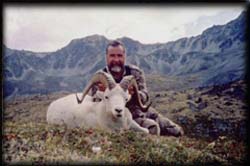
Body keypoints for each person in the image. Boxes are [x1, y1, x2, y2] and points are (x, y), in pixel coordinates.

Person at [89, 40, 184, 137]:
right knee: (152, 128)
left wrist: (134, 94)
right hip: (120, 116)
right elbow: (93, 103)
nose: (116, 60)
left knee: (177, 131)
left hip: (139, 110)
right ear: (106, 57)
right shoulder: (100, 77)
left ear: (124, 56)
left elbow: (145, 96)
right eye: (112, 56)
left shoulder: (135, 73)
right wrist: (101, 93)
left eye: (119, 56)